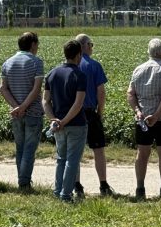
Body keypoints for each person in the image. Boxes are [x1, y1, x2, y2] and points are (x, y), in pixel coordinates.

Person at [126, 38, 161, 201]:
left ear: (149, 52)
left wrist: (138, 111)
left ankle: (140, 189)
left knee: (142, 153)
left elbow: (130, 94)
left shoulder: (138, 69)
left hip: (142, 119)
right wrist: (157, 115)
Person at [42, 40, 87, 202]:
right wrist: (65, 120)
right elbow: (78, 103)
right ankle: (66, 195)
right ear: (78, 55)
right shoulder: (79, 75)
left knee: (61, 159)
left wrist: (53, 118)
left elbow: (45, 101)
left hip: (57, 125)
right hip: (75, 124)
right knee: (72, 160)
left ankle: (57, 190)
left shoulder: (52, 73)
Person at [0, 32, 44, 192]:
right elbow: (36, 88)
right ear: (32, 44)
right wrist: (24, 106)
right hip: (32, 112)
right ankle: (24, 183)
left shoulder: (7, 62)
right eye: (37, 44)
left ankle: (22, 179)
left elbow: (3, 88)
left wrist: (15, 106)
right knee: (29, 148)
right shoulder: (36, 62)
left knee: (20, 147)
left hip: (15, 113)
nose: (38, 47)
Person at [74, 34, 114, 198]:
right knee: (98, 150)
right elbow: (101, 92)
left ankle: (76, 185)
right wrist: (100, 111)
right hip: (90, 112)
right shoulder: (94, 65)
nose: (92, 47)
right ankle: (103, 185)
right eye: (91, 44)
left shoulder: (72, 65)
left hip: (74, 114)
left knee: (75, 151)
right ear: (85, 46)